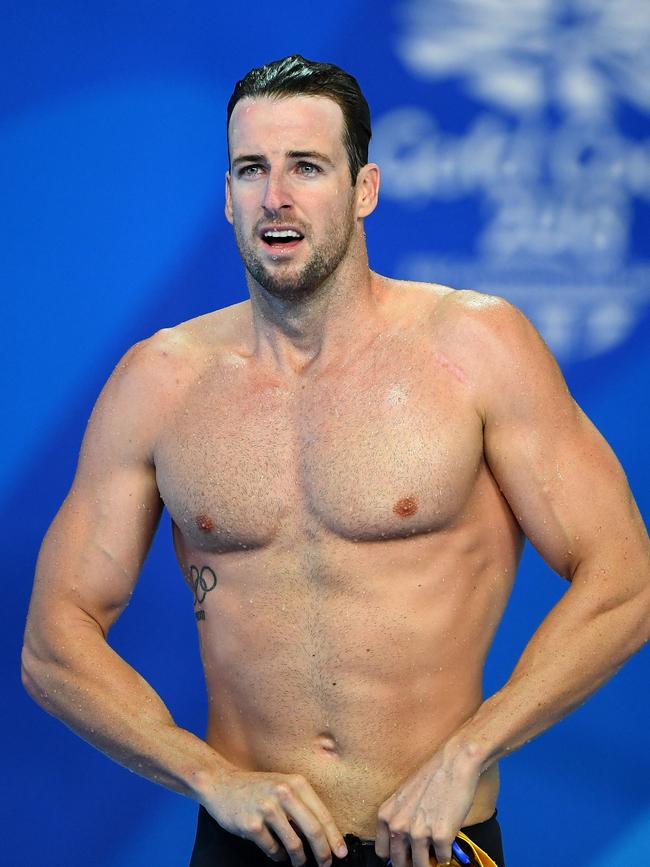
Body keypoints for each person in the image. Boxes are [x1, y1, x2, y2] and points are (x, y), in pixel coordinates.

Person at [22, 54, 649, 867]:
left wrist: (469, 753)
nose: (275, 196)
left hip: (429, 841)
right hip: (245, 844)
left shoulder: (475, 347)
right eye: (252, 169)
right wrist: (208, 775)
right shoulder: (162, 382)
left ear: (364, 190)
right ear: (226, 196)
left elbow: (624, 579)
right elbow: (52, 643)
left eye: (306, 167)